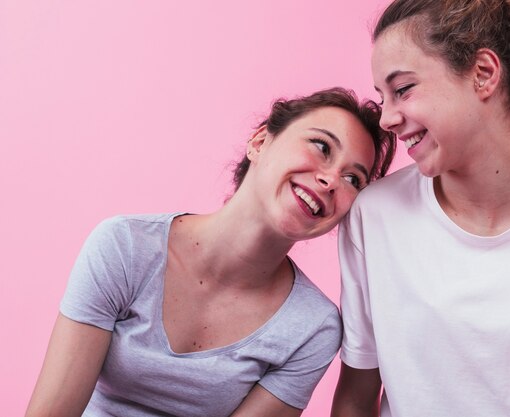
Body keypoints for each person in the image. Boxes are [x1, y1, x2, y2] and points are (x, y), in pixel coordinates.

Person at [331, 1, 510, 416]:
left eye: (402, 89)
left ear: (483, 73)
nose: (387, 119)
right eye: (382, 98)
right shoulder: (374, 216)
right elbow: (355, 397)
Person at [25, 87, 395, 417]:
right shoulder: (124, 247)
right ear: (261, 142)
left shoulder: (313, 328)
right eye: (321, 146)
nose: (332, 180)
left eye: (353, 179)